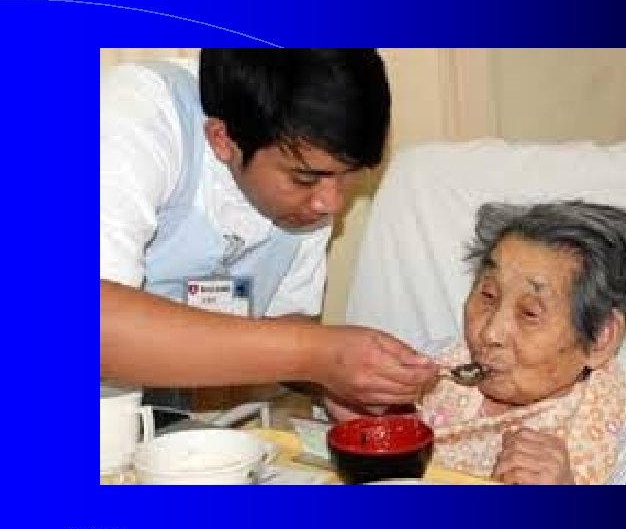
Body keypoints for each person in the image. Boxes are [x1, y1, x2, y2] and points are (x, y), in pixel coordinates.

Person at [100, 49, 437, 415]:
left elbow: (283, 327)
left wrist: (349, 382)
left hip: (163, 412)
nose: (331, 203)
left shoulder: (312, 193)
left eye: (349, 176)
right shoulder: (137, 115)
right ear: (221, 139)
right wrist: (318, 354)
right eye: (304, 179)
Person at [325, 200, 626, 485]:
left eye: (529, 313)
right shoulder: (433, 364)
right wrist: (352, 408)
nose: (490, 333)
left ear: (600, 338)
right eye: (487, 295)